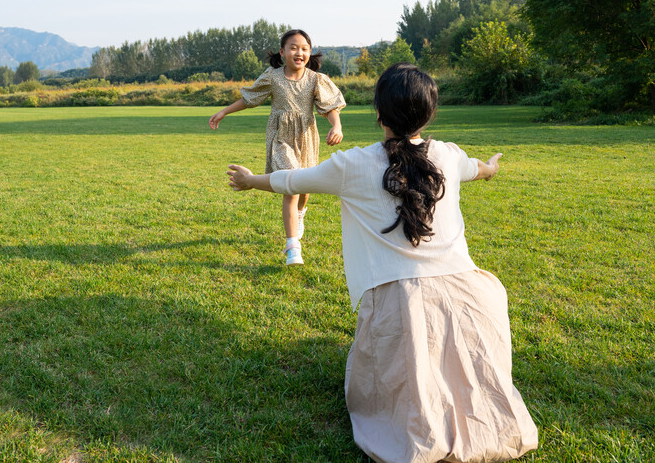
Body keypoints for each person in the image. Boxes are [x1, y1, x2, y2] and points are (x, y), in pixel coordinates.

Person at [226, 63, 538, 463]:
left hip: (399, 307)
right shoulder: (449, 155)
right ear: (430, 113)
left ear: (378, 113)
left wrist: (251, 180)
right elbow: (479, 169)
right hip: (475, 301)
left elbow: (293, 180)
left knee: (409, 389)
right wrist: (492, 167)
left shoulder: (352, 165)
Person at [209, 28, 346, 266]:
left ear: (310, 53)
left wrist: (337, 126)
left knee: (304, 189)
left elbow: (329, 107)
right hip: (281, 138)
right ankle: (293, 247)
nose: (299, 52)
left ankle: (300, 215)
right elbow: (250, 98)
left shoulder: (315, 80)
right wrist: (224, 111)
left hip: (306, 138)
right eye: (293, 47)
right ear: (282, 52)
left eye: (304, 48)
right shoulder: (273, 77)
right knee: (290, 185)